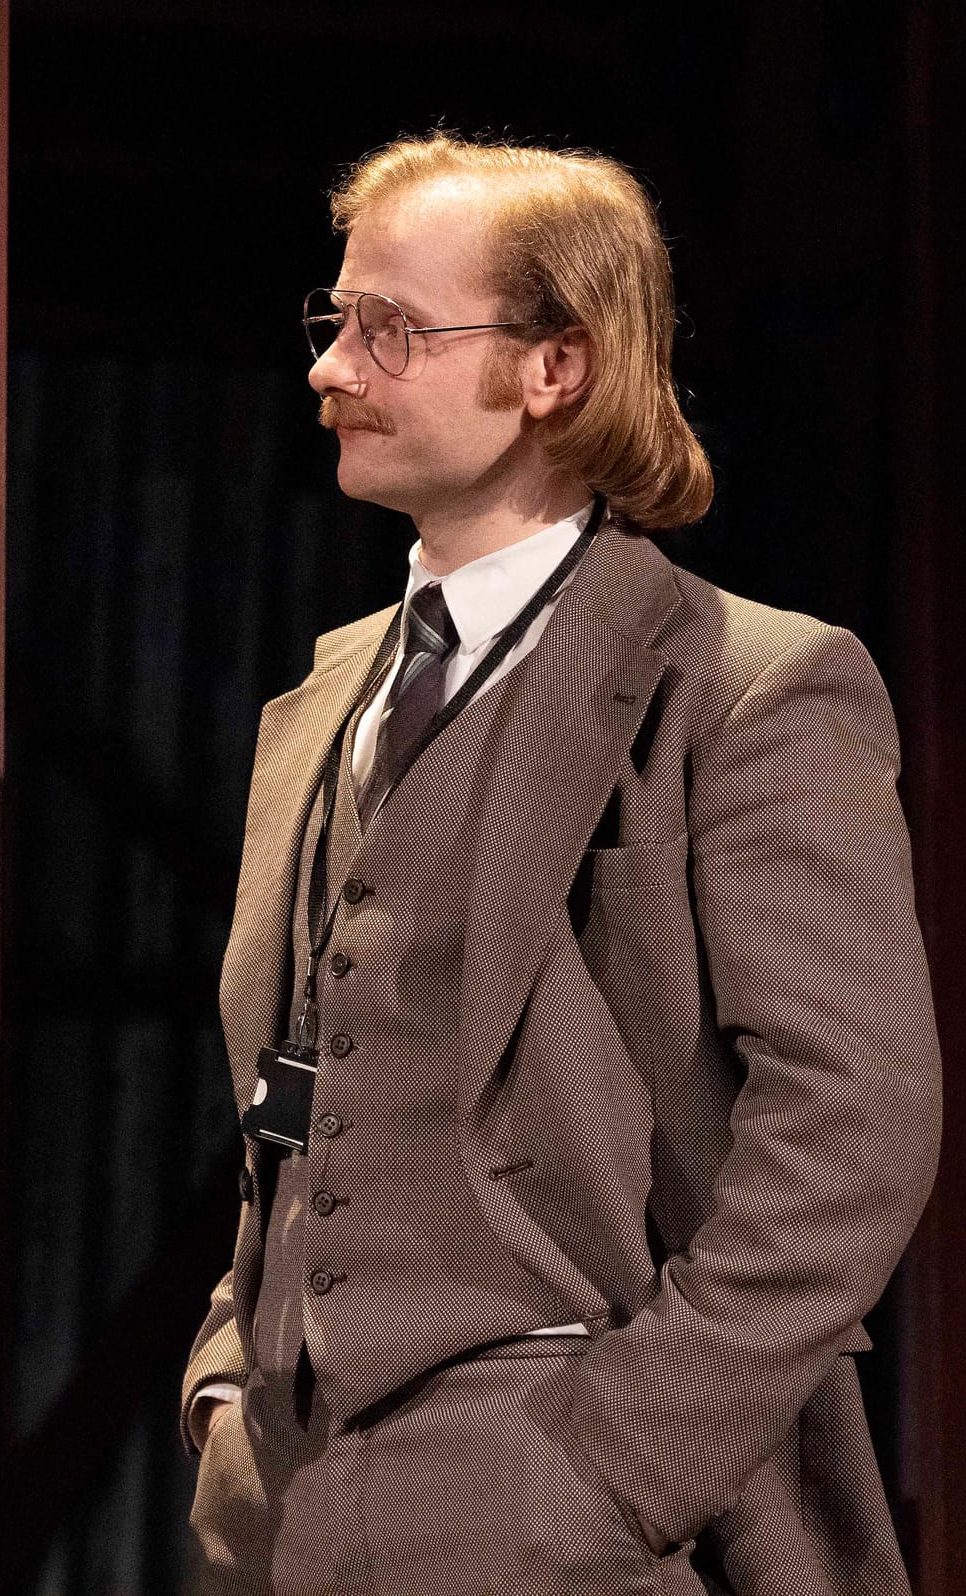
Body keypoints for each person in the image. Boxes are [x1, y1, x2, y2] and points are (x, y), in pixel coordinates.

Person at [180, 132, 941, 1596]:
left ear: (555, 368)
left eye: (390, 329)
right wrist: (232, 1374)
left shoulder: (742, 687)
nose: (334, 369)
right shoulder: (330, 698)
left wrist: (620, 1460)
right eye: (332, 324)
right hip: (292, 1499)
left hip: (566, 1491)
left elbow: (857, 1124)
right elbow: (299, 1091)